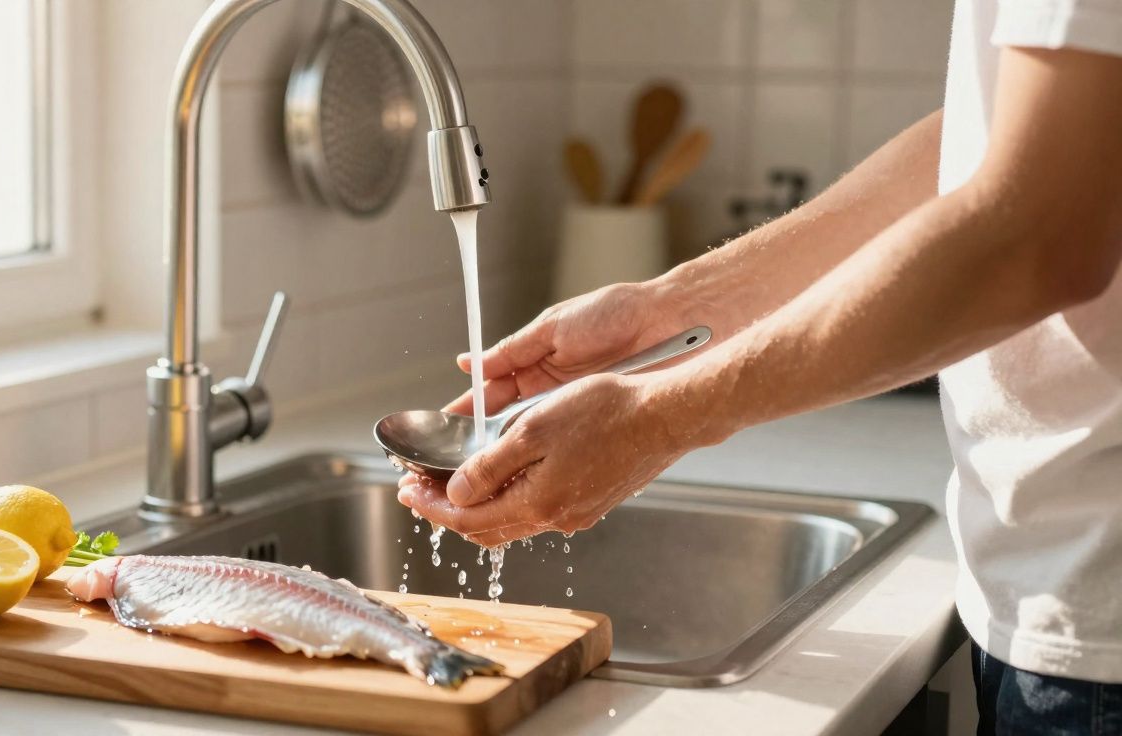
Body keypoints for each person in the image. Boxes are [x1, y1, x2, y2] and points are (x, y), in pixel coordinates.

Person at [396, 1, 1122, 732]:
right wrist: (678, 306)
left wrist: (660, 417)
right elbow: (989, 136)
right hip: (1056, 583)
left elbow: (1038, 230)